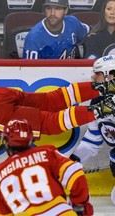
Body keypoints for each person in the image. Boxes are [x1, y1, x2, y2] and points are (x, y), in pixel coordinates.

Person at [0, 119, 94, 215]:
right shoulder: (46, 153)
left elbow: (4, 214)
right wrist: (79, 204)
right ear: (31, 139)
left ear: (6, 142)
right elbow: (75, 175)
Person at [71, 54, 115, 205]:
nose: (93, 78)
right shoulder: (98, 102)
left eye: (97, 74)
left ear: (111, 76)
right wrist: (71, 161)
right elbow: (92, 142)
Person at [23, 0, 89, 59]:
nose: (52, 13)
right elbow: (31, 70)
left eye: (57, 8)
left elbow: (90, 34)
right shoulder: (33, 39)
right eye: (49, 8)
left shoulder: (73, 22)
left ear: (65, 10)